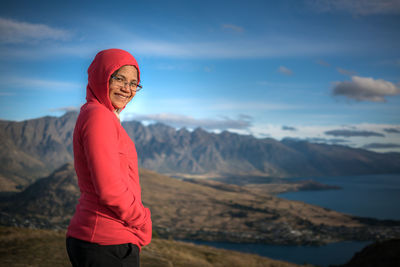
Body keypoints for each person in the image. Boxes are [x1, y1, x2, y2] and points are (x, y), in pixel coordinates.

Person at [66, 48, 152, 267]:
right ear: (101, 76)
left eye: (134, 83)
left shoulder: (101, 115)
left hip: (104, 240)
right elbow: (110, 188)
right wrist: (141, 219)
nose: (127, 89)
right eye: (119, 79)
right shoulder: (99, 116)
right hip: (105, 243)